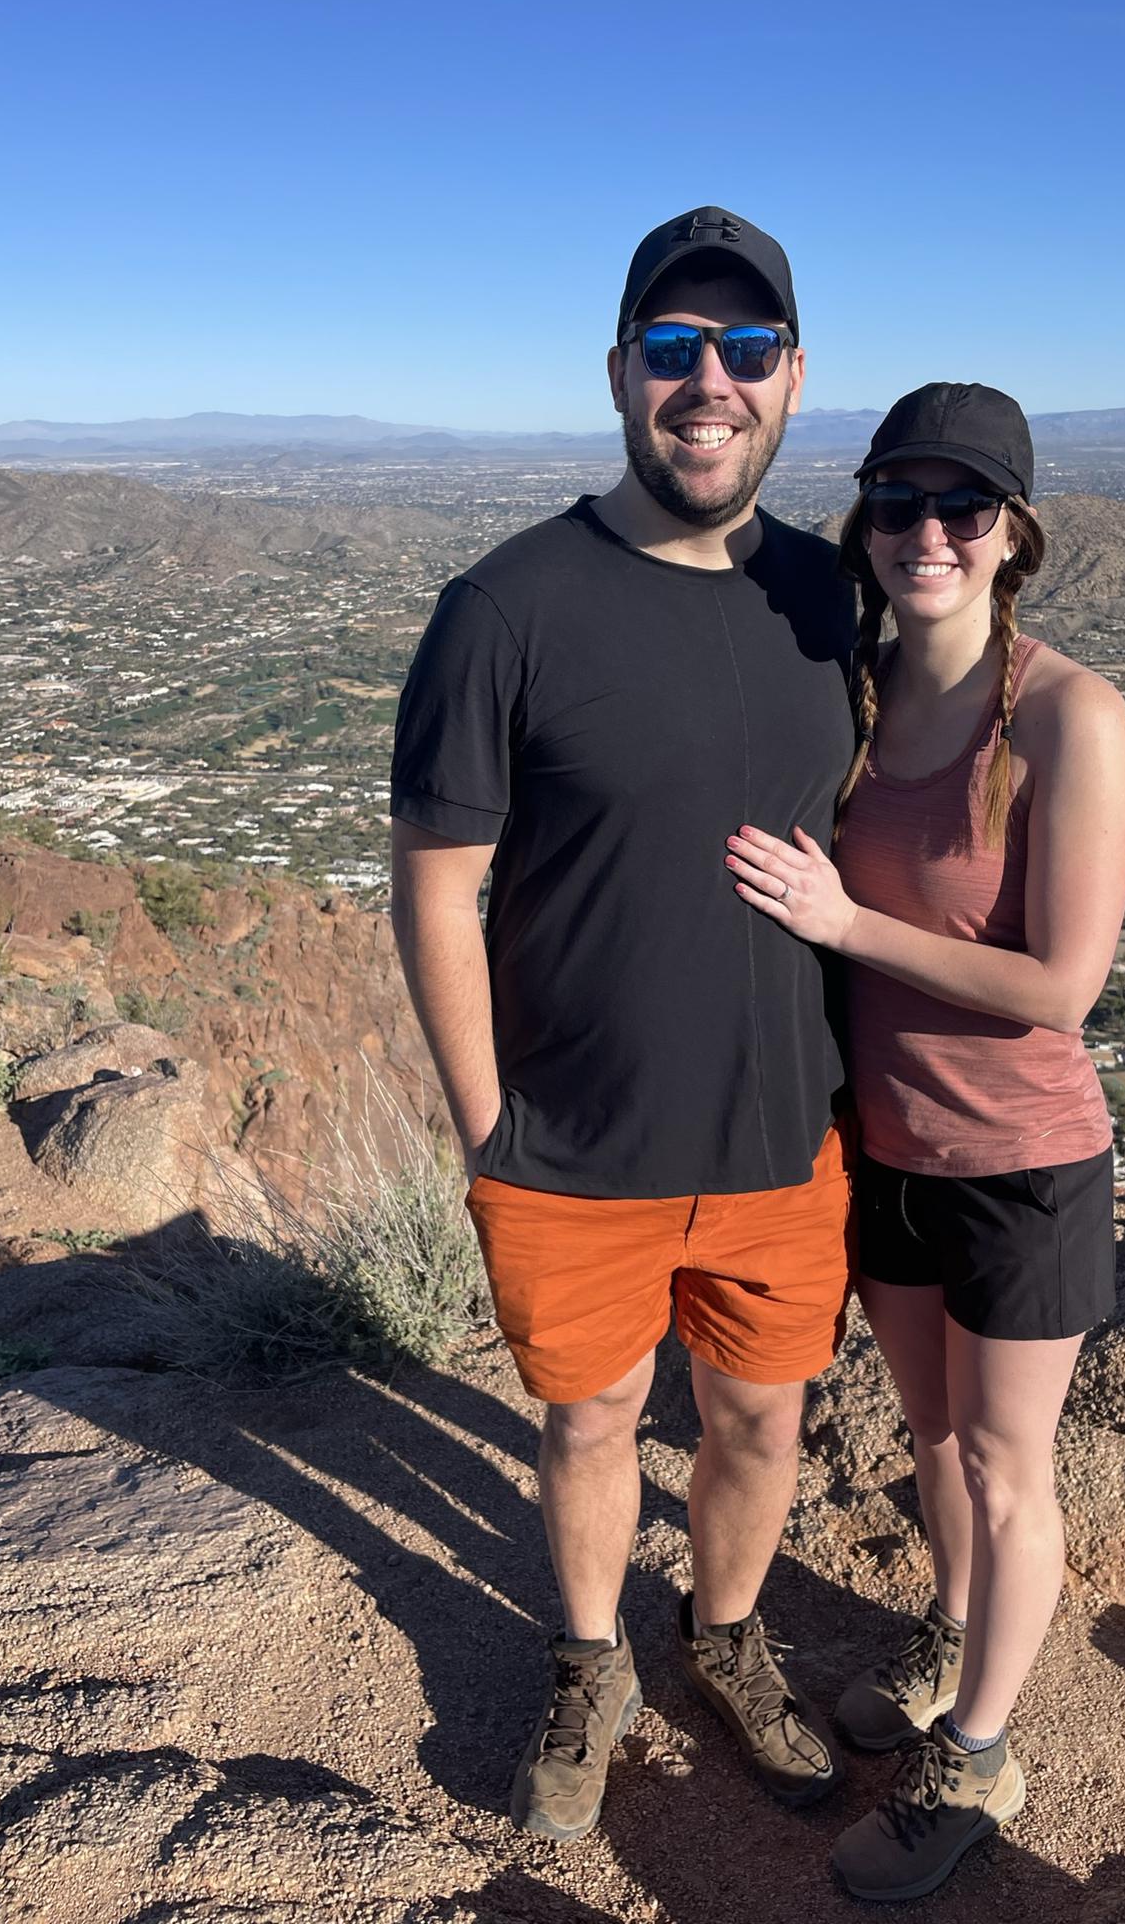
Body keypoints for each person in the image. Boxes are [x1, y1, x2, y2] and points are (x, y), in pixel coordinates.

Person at [389, 206, 857, 1842]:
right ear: (619, 376)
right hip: (571, 1146)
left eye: (742, 352)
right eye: (673, 351)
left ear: (793, 381)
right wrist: (486, 1131)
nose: (706, 383)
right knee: (588, 1420)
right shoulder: (505, 608)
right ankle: (592, 1660)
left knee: (758, 1417)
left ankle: (720, 1639)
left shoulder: (830, 598)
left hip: (783, 1137)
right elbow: (437, 884)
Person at [722, 382, 1125, 1902]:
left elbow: (1061, 988)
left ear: (1015, 531)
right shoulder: (855, 689)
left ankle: (979, 1754)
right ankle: (953, 1633)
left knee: (1010, 1462)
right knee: (934, 1443)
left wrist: (849, 922)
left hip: (1024, 1162)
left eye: (964, 506)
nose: (928, 533)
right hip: (888, 1147)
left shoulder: (1064, 716)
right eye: (899, 503)